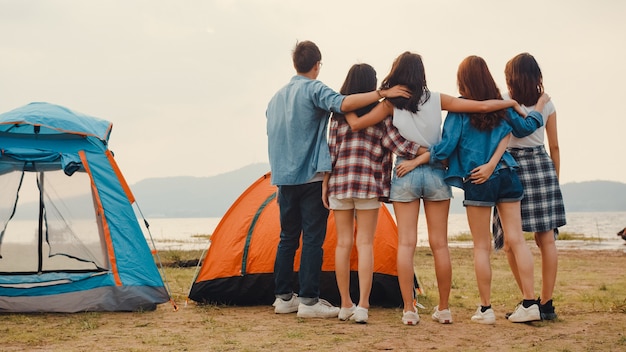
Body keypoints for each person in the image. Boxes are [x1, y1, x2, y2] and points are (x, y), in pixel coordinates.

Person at [345, 51, 525, 325]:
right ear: (422, 74)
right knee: (440, 245)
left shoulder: (390, 104)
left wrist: (380, 94)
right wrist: (509, 101)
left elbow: (356, 122)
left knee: (406, 244)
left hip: (405, 171)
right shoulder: (437, 99)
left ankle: (409, 310)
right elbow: (481, 107)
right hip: (436, 171)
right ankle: (443, 309)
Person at [396, 55, 549, 324]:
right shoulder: (502, 106)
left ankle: (486, 309)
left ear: (462, 81)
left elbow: (444, 149)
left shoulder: (460, 111)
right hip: (508, 173)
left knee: (481, 246)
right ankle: (530, 303)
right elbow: (527, 127)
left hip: (478, 179)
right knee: (517, 239)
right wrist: (538, 106)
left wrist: (418, 159)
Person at [266, 40, 410, 319]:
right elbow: (343, 104)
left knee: (287, 238)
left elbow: (277, 138)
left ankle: (284, 297)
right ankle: (309, 301)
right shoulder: (315, 89)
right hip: (310, 178)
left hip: (284, 178)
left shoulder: (276, 98)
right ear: (317, 65)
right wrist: (382, 94)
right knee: (313, 240)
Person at [321, 63, 421, 324]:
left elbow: (329, 152)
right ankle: (363, 306)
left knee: (343, 244)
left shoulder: (338, 117)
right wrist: (429, 152)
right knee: (365, 243)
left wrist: (325, 183)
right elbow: (397, 145)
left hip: (340, 185)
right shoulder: (382, 115)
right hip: (368, 185)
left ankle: (345, 304)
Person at [492, 53, 566, 321]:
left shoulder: (503, 102)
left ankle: (529, 300)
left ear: (510, 77)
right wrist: (554, 178)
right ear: (537, 75)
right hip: (541, 165)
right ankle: (546, 304)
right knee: (546, 240)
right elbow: (554, 146)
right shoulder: (546, 104)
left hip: (510, 167)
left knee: (512, 242)